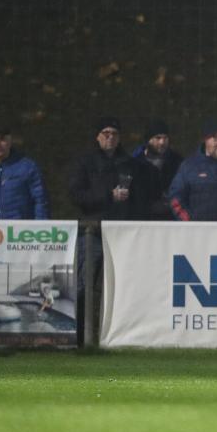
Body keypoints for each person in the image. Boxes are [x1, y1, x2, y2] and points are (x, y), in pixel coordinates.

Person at [68, 117, 152, 300]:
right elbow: (77, 196)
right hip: (92, 232)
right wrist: (108, 196)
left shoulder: (131, 164)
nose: (110, 137)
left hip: (122, 234)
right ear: (97, 136)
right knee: (83, 284)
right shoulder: (85, 163)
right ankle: (81, 320)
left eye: (114, 133)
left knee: (123, 286)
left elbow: (140, 201)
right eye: (106, 133)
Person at [0, 124, 49, 219]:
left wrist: (40, 225)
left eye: (2, 139)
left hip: (20, 226)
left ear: (10, 141)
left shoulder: (27, 167)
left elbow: (41, 200)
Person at [132, 118, 184, 220]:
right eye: (158, 138)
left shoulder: (177, 161)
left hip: (171, 218)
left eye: (165, 138)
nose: (162, 142)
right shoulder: (135, 163)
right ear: (148, 140)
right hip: (143, 218)